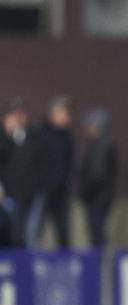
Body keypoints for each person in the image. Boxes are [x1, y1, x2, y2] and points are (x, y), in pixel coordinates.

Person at [0, 98, 46, 247]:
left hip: (32, 192)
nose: (19, 118)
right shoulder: (4, 137)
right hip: (11, 193)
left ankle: (29, 266)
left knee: (31, 232)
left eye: (21, 113)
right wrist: (7, 136)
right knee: (15, 231)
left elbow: (40, 161)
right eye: (15, 114)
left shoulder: (35, 134)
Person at [78, 109, 117, 247]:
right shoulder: (98, 144)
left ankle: (100, 264)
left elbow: (97, 174)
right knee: (97, 232)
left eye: (89, 125)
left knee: (97, 233)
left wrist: (84, 191)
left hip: (98, 196)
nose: (87, 128)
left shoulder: (102, 145)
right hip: (99, 195)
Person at [39, 97, 74, 248]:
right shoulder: (41, 134)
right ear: (54, 113)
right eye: (64, 113)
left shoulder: (67, 137)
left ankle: (66, 265)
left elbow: (68, 164)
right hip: (42, 190)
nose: (67, 118)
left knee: (63, 231)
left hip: (61, 191)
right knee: (34, 230)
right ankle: (26, 266)